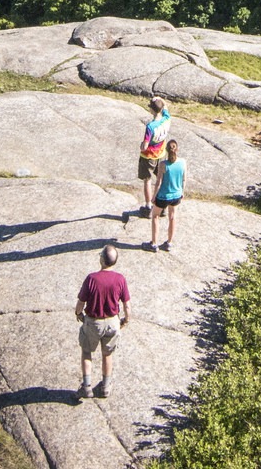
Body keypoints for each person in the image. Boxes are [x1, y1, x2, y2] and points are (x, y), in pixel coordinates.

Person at [75, 244, 130, 399]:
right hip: (113, 322)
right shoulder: (120, 279)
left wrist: (78, 313)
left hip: (93, 321)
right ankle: (105, 387)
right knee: (107, 354)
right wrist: (126, 320)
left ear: (102, 259)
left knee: (86, 351)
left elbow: (81, 302)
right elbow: (127, 304)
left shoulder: (92, 278)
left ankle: (86, 387)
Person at [134, 97, 173, 216]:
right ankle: (162, 205)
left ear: (151, 110)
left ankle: (148, 206)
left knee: (147, 180)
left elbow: (145, 146)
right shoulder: (167, 118)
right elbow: (165, 106)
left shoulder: (150, 127)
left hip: (149, 156)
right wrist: (161, 99)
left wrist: (141, 145)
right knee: (160, 179)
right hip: (161, 153)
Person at [149, 138, 187, 251]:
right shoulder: (183, 162)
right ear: (177, 149)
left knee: (155, 216)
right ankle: (169, 243)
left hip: (163, 196)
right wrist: (182, 192)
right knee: (172, 217)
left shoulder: (163, 164)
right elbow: (184, 180)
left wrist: (154, 196)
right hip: (176, 195)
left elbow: (159, 183)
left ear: (165, 150)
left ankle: (154, 244)